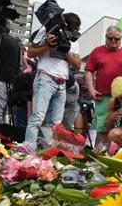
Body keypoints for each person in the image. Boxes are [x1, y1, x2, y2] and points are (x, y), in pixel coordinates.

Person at [25, 13, 81, 145]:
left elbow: (77, 65)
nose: (77, 31)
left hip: (62, 84)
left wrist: (65, 49)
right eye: (75, 28)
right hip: (45, 79)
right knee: (37, 118)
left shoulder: (73, 40)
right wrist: (48, 46)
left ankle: (47, 151)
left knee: (56, 123)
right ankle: (28, 150)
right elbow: (30, 53)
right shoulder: (46, 30)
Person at [85, 26, 122, 147]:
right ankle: (98, 155)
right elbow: (88, 70)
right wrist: (90, 88)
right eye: (110, 38)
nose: (113, 41)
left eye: (117, 38)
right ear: (106, 37)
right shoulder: (97, 51)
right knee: (102, 127)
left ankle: (116, 157)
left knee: (120, 129)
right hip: (103, 97)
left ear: (121, 38)